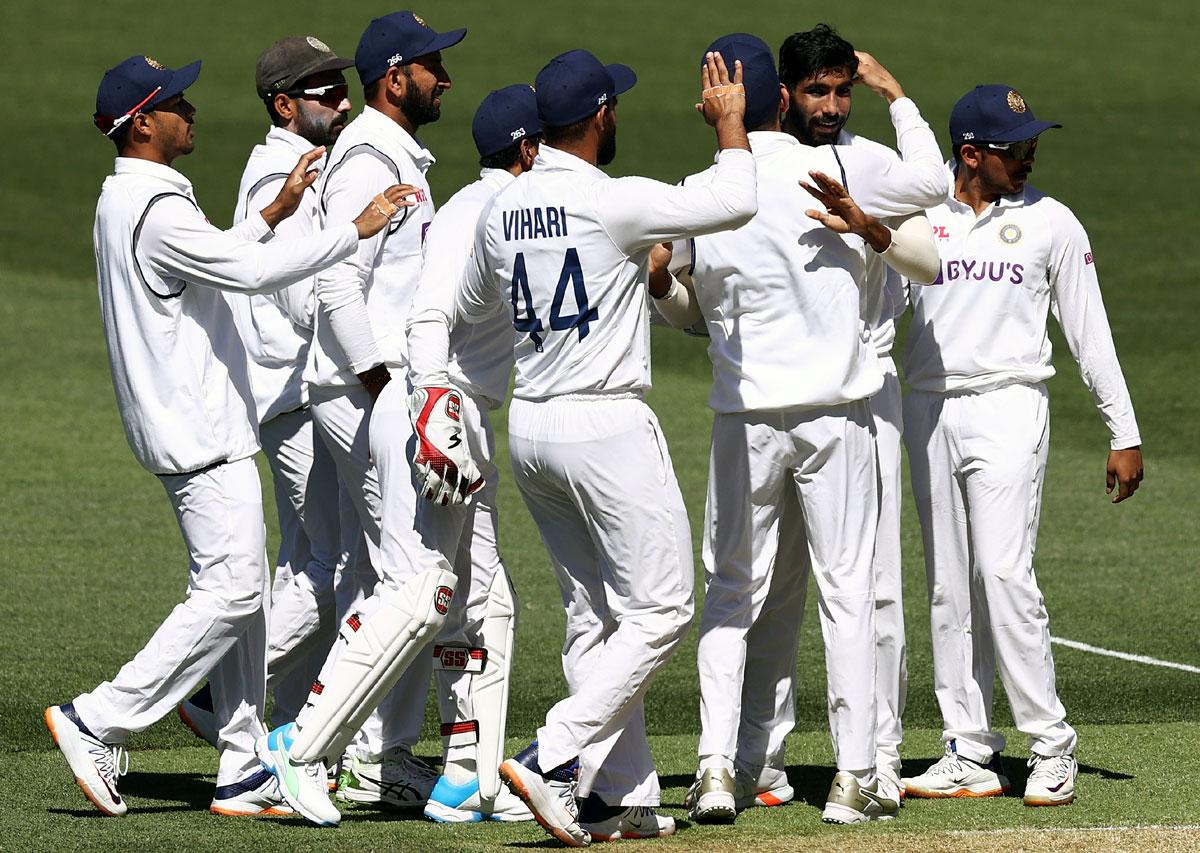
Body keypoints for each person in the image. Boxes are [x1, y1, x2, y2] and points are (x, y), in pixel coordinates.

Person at [44, 53, 412, 818]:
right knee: (235, 587)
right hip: (198, 428)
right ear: (143, 122)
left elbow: (223, 254)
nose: (193, 112)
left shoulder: (131, 199)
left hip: (194, 423)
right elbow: (249, 275)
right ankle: (98, 716)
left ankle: (244, 767)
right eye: (176, 102)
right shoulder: (156, 208)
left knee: (241, 598)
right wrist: (354, 228)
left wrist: (273, 212)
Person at [457, 48, 758, 847]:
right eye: (613, 107)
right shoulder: (612, 202)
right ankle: (553, 754)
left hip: (532, 425)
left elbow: (473, 301)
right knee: (661, 609)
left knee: (593, 612)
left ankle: (615, 793)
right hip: (605, 423)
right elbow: (737, 198)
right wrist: (729, 122)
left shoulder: (501, 208)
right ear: (597, 118)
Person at [660, 32, 944, 826]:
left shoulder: (702, 190)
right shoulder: (843, 171)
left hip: (741, 416)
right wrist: (898, 95)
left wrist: (661, 285)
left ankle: (717, 770)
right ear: (783, 96)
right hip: (836, 412)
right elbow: (933, 184)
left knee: (729, 594)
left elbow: (681, 301)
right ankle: (855, 776)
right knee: (848, 591)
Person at [255, 11, 471, 827]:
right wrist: (386, 392)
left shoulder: (391, 151)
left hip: (367, 390)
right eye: (430, 67)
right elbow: (336, 286)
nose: (443, 78)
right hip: (360, 393)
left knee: (388, 576)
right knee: (411, 581)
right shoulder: (369, 160)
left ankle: (376, 756)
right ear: (394, 77)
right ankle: (310, 749)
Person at [900, 85, 1143, 808]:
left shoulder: (1052, 223)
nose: (1031, 154)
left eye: (1032, 142)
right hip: (928, 406)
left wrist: (1121, 430)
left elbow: (1087, 332)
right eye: (1016, 146)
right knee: (949, 582)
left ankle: (1051, 744)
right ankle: (968, 748)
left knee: (1004, 573)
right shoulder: (920, 213)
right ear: (970, 154)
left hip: (1010, 403)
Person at [178, 34, 357, 753]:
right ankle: (214, 694)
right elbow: (286, 285)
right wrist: (359, 330)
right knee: (330, 567)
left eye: (343, 88)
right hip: (294, 393)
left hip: (291, 391)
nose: (344, 102)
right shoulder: (275, 173)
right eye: (326, 94)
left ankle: (272, 724)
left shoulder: (296, 161)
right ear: (285, 105)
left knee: (304, 561)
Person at [402, 84, 544, 825]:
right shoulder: (480, 213)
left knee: (471, 600)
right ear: (527, 150)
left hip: (457, 412)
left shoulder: (480, 205)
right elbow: (428, 316)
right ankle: (309, 742)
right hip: (450, 413)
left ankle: (466, 772)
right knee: (438, 598)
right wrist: (435, 410)